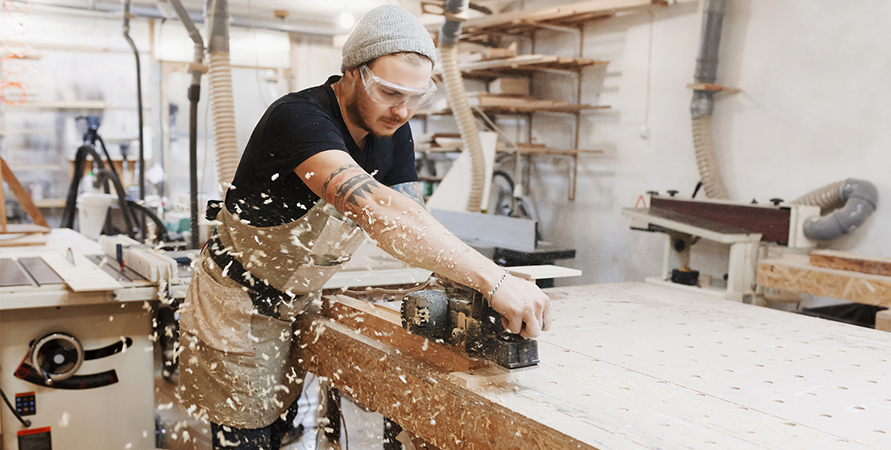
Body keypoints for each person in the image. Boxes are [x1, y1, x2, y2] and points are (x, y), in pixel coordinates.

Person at [177, 5, 553, 449]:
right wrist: (495, 279)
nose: (403, 111)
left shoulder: (393, 128)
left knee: (284, 426)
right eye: (391, 92)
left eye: (416, 98)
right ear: (351, 74)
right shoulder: (298, 118)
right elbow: (378, 209)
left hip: (298, 300)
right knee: (248, 439)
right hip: (236, 305)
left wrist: (457, 285)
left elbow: (412, 215)